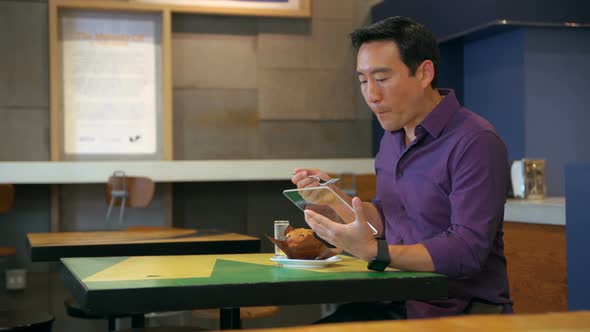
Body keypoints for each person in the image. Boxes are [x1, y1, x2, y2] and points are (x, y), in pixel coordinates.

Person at [291, 16, 512, 321]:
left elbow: (467, 250)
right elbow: (387, 215)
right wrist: (333, 200)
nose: (371, 95)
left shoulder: (475, 141)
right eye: (363, 81)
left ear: (424, 73)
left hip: (462, 314)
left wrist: (374, 252)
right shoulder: (392, 138)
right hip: (400, 303)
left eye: (381, 78)